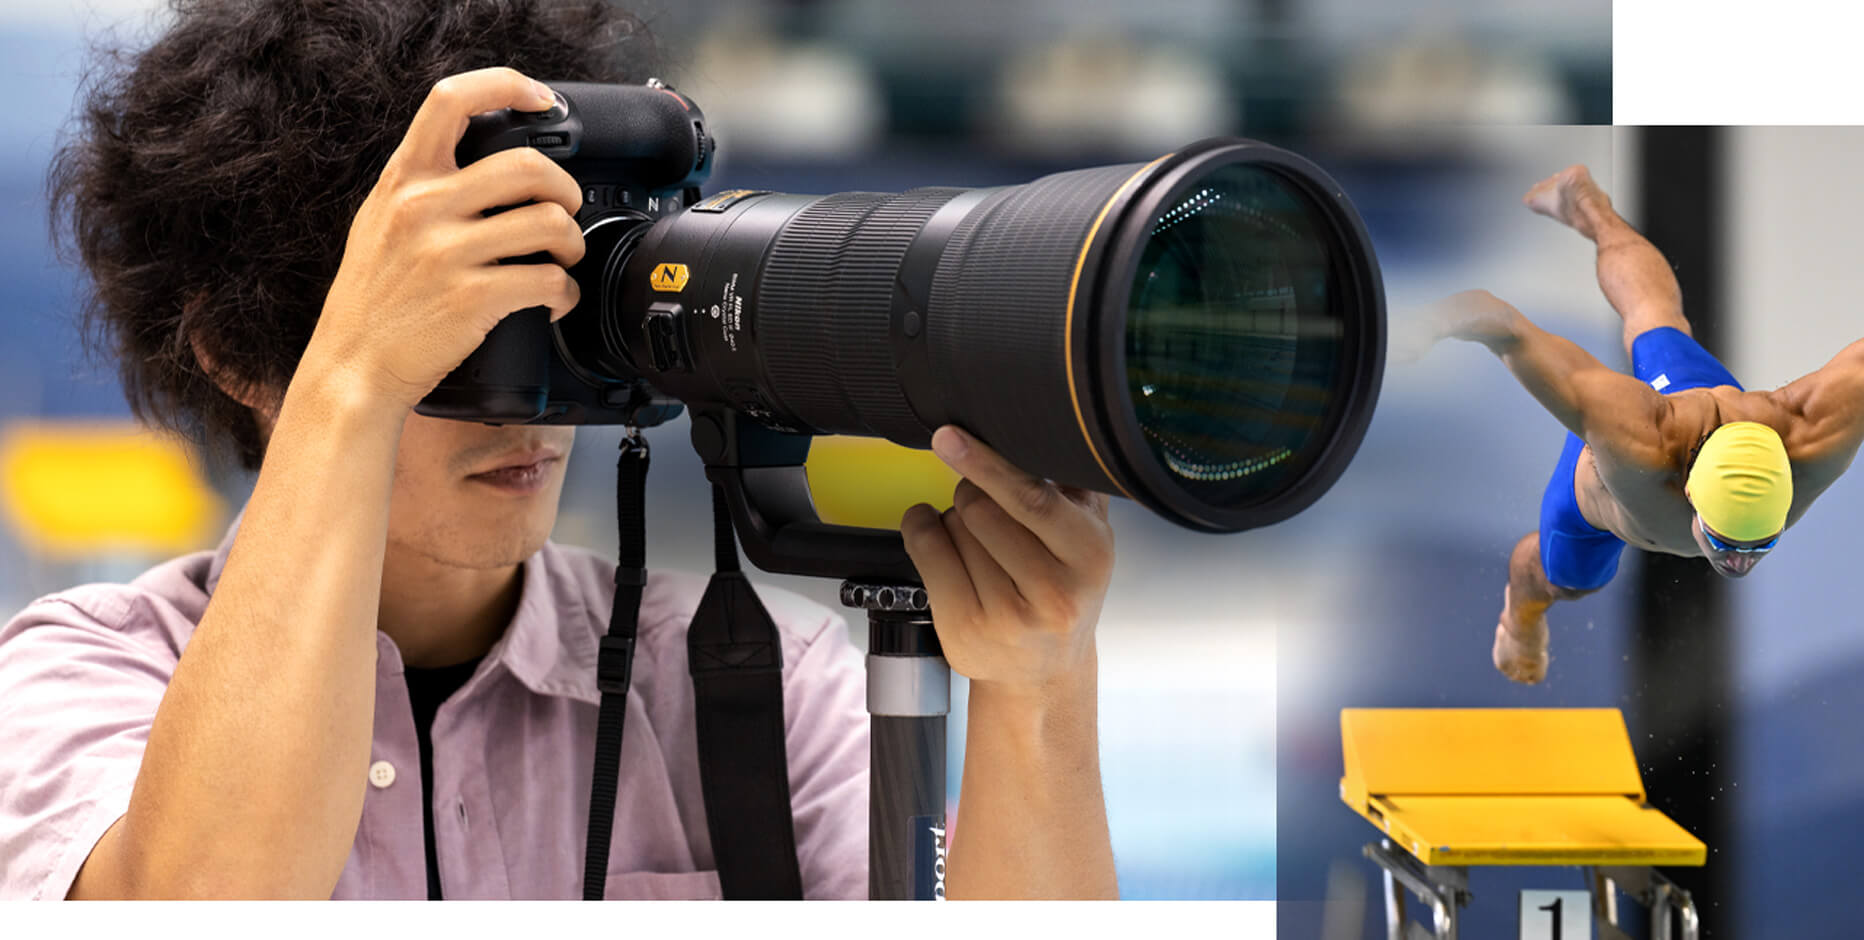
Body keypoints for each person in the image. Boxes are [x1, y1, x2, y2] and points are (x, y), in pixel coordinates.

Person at [0, 0, 1116, 899]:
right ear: (238, 359)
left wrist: (1040, 688)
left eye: (552, 312)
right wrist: (354, 375)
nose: (521, 407)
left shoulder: (749, 684)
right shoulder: (85, 674)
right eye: (460, 336)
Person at [1414, 165, 1864, 685]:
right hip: (1602, 480)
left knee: (1661, 318)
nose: (1738, 566)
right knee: (1560, 581)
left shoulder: (1818, 430)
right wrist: (1421, 325)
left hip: (1705, 408)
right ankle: (1521, 619)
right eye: (1726, 545)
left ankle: (1590, 204)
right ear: (1689, 494)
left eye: (1756, 547)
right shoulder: (1636, 437)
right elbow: (1500, 322)